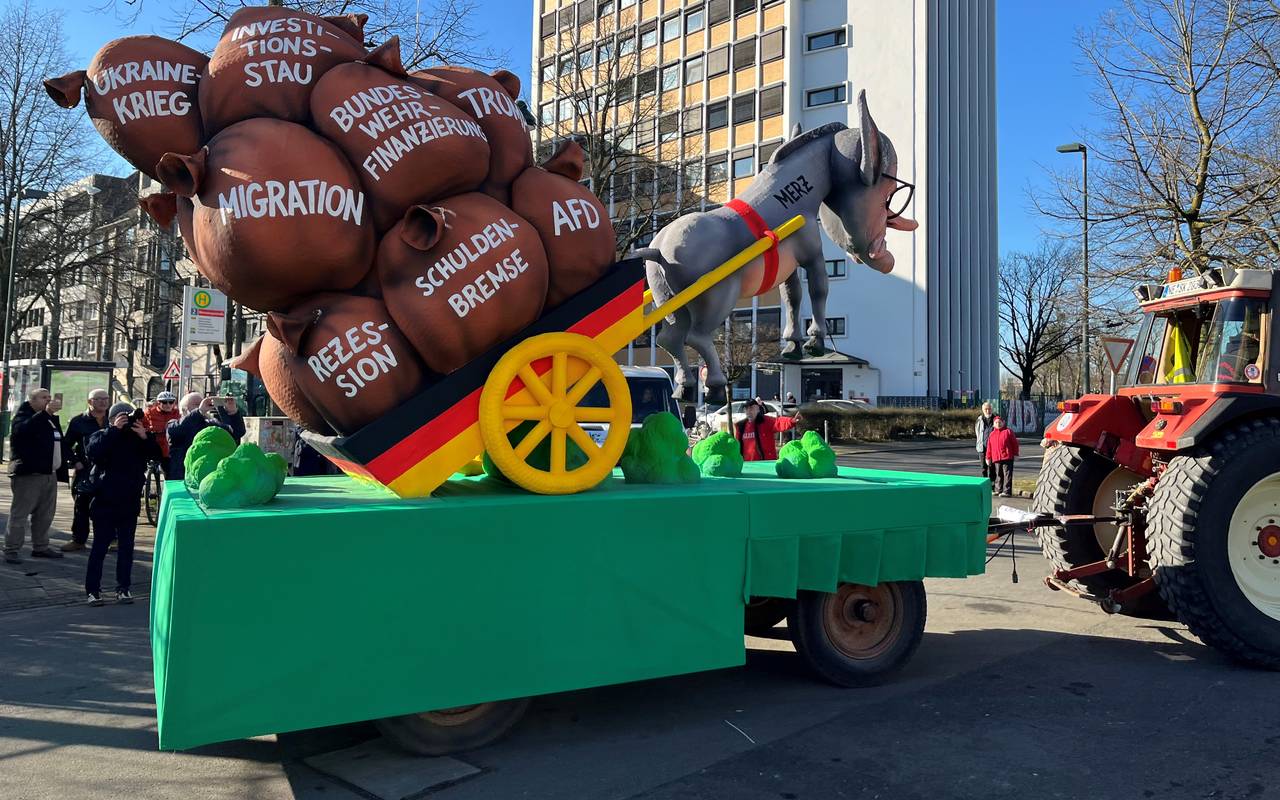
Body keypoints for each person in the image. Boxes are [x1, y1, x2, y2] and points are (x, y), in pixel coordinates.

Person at [84, 402, 161, 606]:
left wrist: (145, 436)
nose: (126, 421)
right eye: (121, 417)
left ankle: (123, 588)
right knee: (99, 547)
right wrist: (114, 430)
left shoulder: (138, 438)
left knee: (127, 548)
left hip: (129, 501)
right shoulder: (102, 434)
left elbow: (157, 455)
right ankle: (93, 591)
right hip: (104, 501)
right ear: (112, 419)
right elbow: (93, 452)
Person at [4, 388, 66, 564]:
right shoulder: (24, 416)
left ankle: (41, 546)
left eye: (49, 397)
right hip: (29, 475)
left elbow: (58, 440)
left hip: (49, 474)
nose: (48, 400)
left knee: (45, 514)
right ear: (32, 400)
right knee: (20, 514)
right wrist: (46, 413)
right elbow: (23, 431)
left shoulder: (49, 418)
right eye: (43, 398)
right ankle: (11, 549)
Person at [61, 389, 111, 552]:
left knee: (108, 505)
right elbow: (65, 445)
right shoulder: (78, 421)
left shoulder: (112, 419)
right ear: (89, 402)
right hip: (85, 470)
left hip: (108, 471)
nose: (103, 402)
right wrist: (75, 462)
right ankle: (78, 540)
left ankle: (111, 539)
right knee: (81, 506)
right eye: (98, 399)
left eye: (106, 398)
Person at [166, 392, 244, 480]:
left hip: (211, 475)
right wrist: (199, 411)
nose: (203, 406)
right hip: (184, 476)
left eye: (202, 403)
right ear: (184, 409)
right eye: (197, 404)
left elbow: (236, 433)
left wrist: (233, 413)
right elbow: (177, 429)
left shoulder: (212, 423)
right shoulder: (173, 424)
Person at [143, 390, 181, 475]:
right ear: (158, 403)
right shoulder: (150, 413)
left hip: (170, 446)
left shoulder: (177, 413)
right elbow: (142, 426)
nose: (168, 405)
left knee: (171, 471)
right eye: (164, 402)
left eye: (171, 402)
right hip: (155, 445)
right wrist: (151, 429)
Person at [985, 415, 1020, 498]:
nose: (998, 424)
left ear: (1003, 423)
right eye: (996, 422)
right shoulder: (992, 434)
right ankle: (998, 489)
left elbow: (1015, 444)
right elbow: (989, 447)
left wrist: (1016, 454)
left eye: (999, 422)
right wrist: (988, 457)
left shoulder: (1008, 432)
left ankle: (1007, 491)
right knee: (998, 474)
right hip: (996, 458)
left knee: (1007, 474)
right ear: (994, 424)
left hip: (1007, 457)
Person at [975, 401, 995, 478]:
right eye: (986, 409)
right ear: (983, 410)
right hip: (982, 447)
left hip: (993, 448)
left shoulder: (995, 419)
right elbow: (977, 432)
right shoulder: (979, 420)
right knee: (983, 468)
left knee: (992, 468)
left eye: (989, 409)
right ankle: (984, 484)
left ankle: (992, 486)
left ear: (991, 409)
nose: (988, 411)